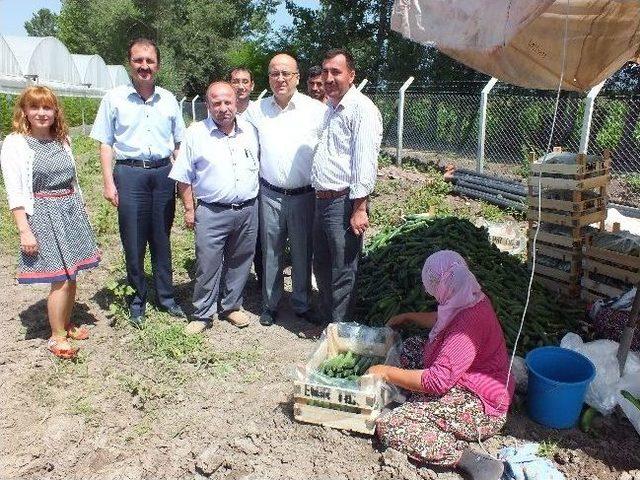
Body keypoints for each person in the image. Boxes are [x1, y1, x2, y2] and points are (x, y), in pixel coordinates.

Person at [367, 250, 514, 480]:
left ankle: (467, 459)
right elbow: (441, 317)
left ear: (445, 285)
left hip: (482, 403)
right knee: (412, 346)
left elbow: (437, 380)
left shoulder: (469, 324)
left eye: (434, 285)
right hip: (467, 377)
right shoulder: (469, 296)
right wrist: (408, 316)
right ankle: (415, 400)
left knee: (392, 425)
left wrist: (385, 372)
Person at [90, 38, 186, 326]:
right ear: (129, 63)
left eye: (150, 61)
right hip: (129, 174)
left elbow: (179, 143)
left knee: (161, 238)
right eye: (138, 60)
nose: (144, 66)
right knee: (133, 240)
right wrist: (109, 182)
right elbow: (106, 143)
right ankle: (136, 300)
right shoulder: (114, 98)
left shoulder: (168, 99)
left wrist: (183, 183)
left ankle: (166, 298)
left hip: (162, 174)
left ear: (158, 64)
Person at [0, 86, 100, 359]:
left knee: (73, 273)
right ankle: (56, 336)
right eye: (35, 107)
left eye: (47, 108)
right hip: (43, 215)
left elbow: (73, 180)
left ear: (56, 112)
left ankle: (66, 323)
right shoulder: (16, 143)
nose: (42, 113)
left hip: (69, 211)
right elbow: (15, 192)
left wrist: (81, 208)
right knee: (60, 278)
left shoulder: (62, 139)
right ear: (25, 112)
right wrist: (24, 230)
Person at [244, 54, 328, 327]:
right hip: (269, 194)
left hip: (304, 195)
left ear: (296, 77)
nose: (280, 79)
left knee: (303, 252)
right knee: (271, 252)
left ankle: (301, 304)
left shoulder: (315, 110)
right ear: (268, 78)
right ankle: (270, 304)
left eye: (286, 73)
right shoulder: (257, 111)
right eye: (274, 74)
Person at [169, 81, 259, 334]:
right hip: (211, 211)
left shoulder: (250, 131)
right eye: (216, 103)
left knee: (240, 261)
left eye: (227, 102)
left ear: (236, 103)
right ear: (207, 105)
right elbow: (183, 176)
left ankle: (231, 306)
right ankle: (202, 313)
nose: (223, 108)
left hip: (247, 210)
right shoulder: (196, 133)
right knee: (208, 263)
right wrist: (189, 209)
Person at [311, 48, 382, 324]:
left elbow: (364, 161)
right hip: (322, 200)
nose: (329, 77)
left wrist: (359, 208)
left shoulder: (361, 109)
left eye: (336, 72)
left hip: (343, 202)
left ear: (351, 75)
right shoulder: (329, 107)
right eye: (326, 71)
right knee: (323, 264)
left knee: (343, 268)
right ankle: (328, 319)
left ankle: (340, 328)